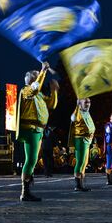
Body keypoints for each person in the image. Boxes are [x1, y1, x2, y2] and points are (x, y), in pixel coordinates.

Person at [17, 62, 59, 201]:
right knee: (31, 160)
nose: (40, 76)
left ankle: (27, 191)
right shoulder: (26, 90)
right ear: (31, 79)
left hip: (38, 130)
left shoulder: (38, 94)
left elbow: (51, 105)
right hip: (31, 129)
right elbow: (35, 89)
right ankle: (25, 192)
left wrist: (54, 91)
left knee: (33, 160)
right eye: (38, 75)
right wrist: (44, 71)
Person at [69, 98, 95, 192]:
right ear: (80, 104)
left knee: (85, 162)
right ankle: (78, 185)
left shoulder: (86, 112)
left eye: (89, 102)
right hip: (81, 139)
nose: (88, 104)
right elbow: (73, 118)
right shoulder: (78, 112)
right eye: (86, 102)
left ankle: (81, 183)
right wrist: (77, 105)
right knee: (80, 162)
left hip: (88, 140)